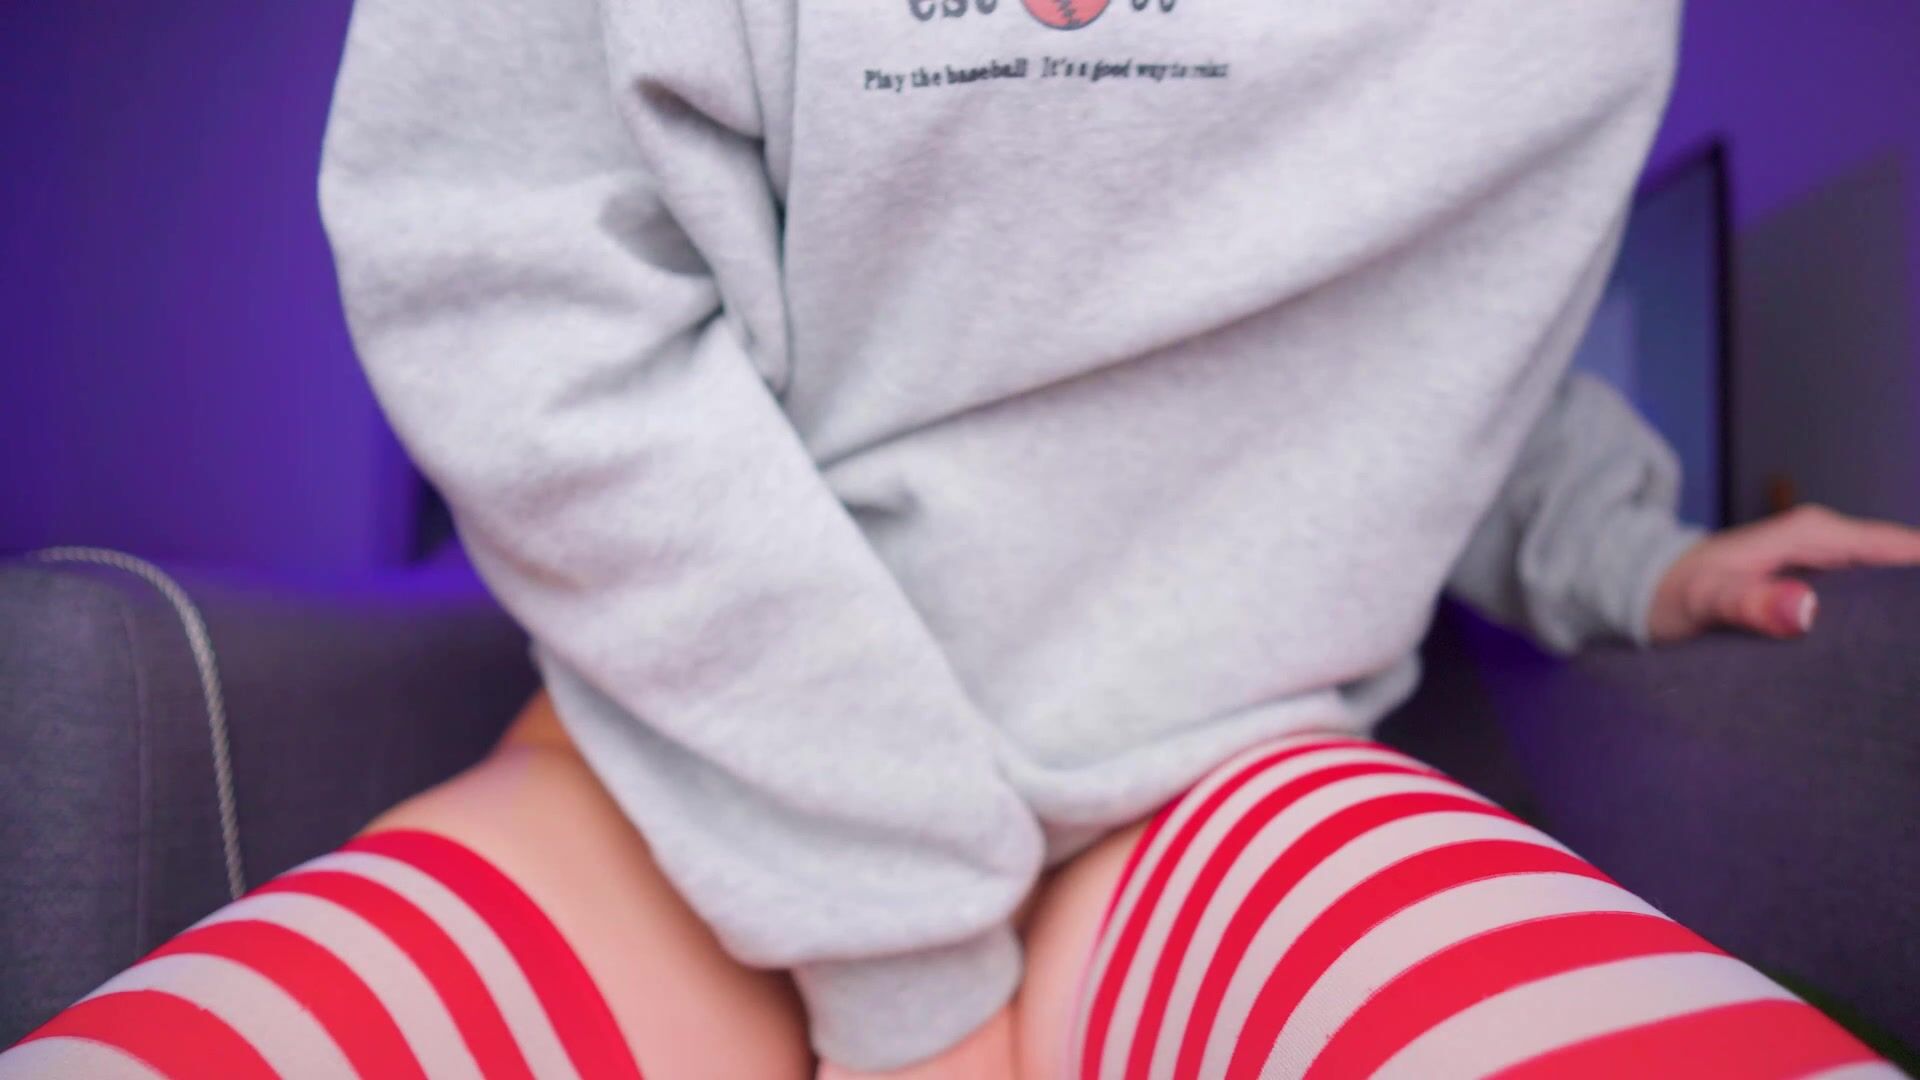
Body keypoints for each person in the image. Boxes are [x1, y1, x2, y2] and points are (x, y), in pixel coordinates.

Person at [7, 1, 1920, 1077]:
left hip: (1207, 786)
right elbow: (516, 287)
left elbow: (1420, 325)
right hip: (696, 777)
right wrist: (908, 948)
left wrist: (1619, 541)